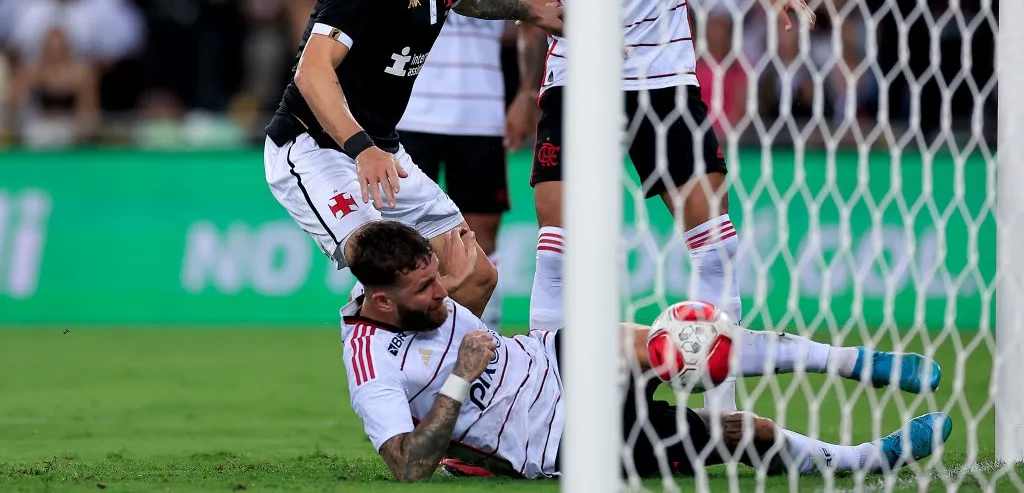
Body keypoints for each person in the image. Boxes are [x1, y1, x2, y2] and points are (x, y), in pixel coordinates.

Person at [506, 0, 815, 408]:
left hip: (666, 75)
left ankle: (723, 407)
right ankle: (541, 399)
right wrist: (570, 17)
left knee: (715, 239)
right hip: (577, 80)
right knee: (559, 243)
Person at [340, 221, 950, 482]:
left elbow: (463, 292)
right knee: (745, 431)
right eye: (423, 289)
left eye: (434, 277)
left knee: (694, 343)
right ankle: (864, 460)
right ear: (382, 302)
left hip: (556, 357)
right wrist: (458, 382)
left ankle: (854, 363)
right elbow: (405, 465)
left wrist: (472, 269)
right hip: (561, 438)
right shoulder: (372, 360)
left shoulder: (425, 288)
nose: (440, 294)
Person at [264, 0, 562, 316]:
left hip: (383, 148)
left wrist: (532, 13)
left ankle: (452, 390)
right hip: (315, 147)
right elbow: (312, 70)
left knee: (474, 276)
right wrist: (361, 148)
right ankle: (376, 386)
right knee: (389, 281)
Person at [397, 0, 538, 330]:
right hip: (407, 107)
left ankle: (484, 353)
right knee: (405, 243)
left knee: (480, 240)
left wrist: (526, 93)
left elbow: (529, 20)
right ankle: (409, 352)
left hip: (480, 109)